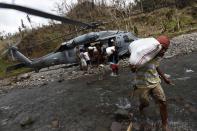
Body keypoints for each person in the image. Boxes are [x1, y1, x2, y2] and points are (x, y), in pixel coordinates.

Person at [130, 35, 173, 131]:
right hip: (142, 85)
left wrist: (164, 77)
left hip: (155, 82)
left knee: (163, 102)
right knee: (145, 103)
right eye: (164, 49)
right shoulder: (142, 55)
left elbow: (156, 67)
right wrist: (132, 68)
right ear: (159, 47)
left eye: (165, 50)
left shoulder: (157, 56)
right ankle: (141, 107)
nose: (164, 52)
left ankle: (164, 125)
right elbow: (132, 67)